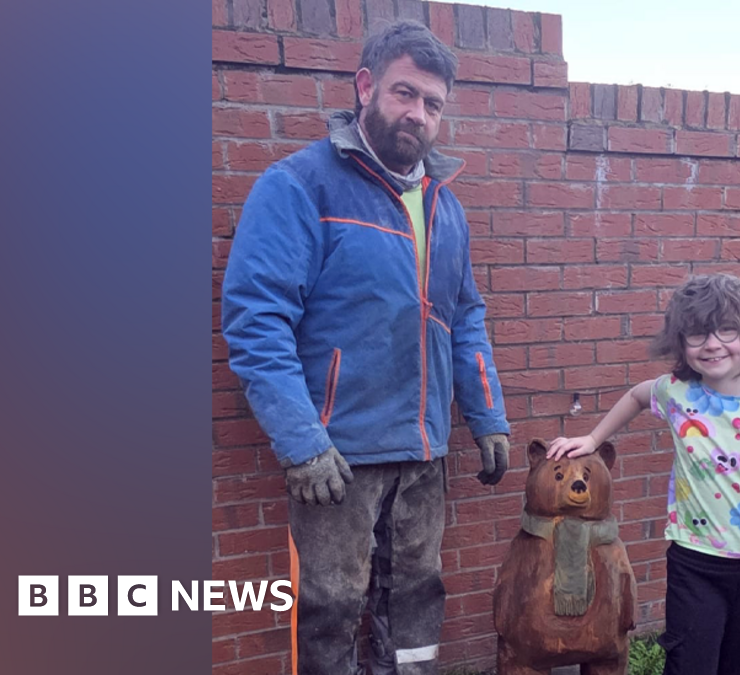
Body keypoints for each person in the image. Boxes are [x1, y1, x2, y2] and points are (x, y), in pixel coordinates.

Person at [220, 21, 511, 675]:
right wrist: (301, 440)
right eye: (404, 93)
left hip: (424, 449)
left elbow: (465, 318)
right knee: (331, 604)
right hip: (336, 455)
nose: (417, 113)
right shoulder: (300, 186)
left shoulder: (444, 205)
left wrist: (486, 414)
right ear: (365, 86)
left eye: (432, 103)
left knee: (415, 600)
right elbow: (256, 321)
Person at [548, 273, 740, 675]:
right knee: (689, 663)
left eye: (726, 330)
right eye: (697, 334)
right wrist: (593, 437)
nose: (712, 344)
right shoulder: (676, 392)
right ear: (680, 343)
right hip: (692, 564)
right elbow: (637, 395)